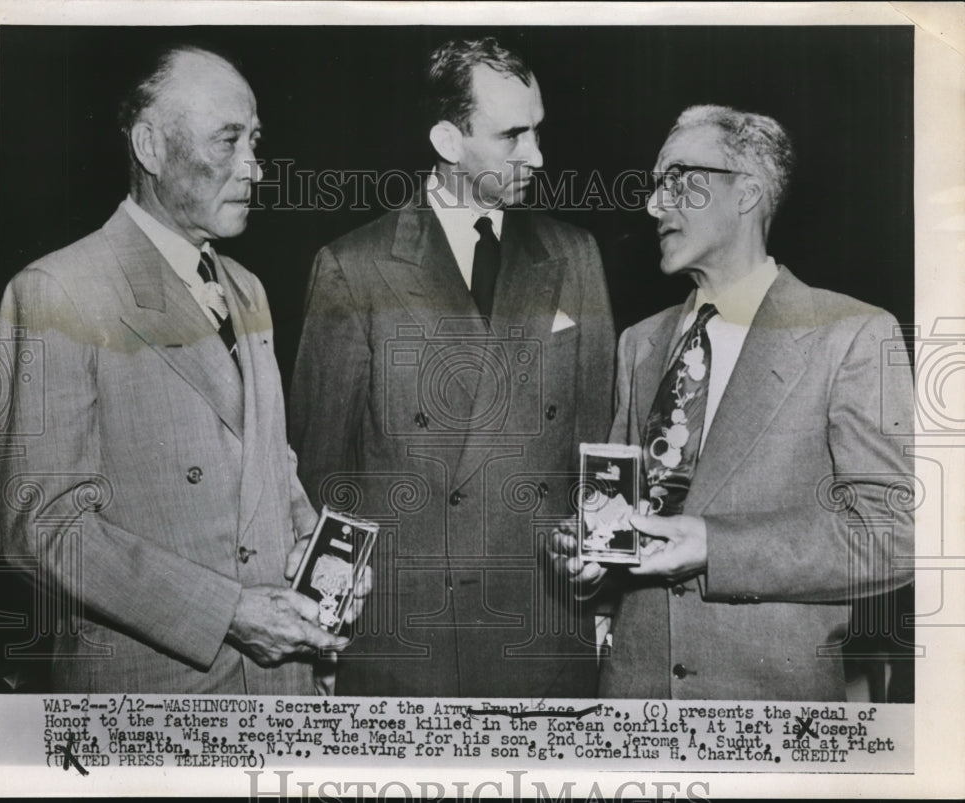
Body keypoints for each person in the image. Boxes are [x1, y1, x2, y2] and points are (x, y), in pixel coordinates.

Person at [0, 45, 364, 693]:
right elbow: (43, 526)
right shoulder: (60, 288)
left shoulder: (246, 287)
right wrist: (226, 611)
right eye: (228, 141)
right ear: (151, 147)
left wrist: (316, 550)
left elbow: (267, 461)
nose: (254, 167)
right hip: (159, 691)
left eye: (255, 140)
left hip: (279, 680)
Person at [552, 105, 914, 701]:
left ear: (746, 193)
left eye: (674, 179)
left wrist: (716, 546)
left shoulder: (852, 332)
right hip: (632, 707)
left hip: (769, 715)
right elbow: (619, 516)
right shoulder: (638, 344)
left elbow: (897, 532)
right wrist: (587, 554)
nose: (651, 203)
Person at [290, 37, 615, 696]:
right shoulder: (352, 267)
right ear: (447, 139)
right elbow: (320, 472)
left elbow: (599, 448)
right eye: (512, 136)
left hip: (542, 632)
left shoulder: (575, 256)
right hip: (407, 644)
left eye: (539, 130)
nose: (538, 156)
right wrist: (324, 637)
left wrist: (601, 570)